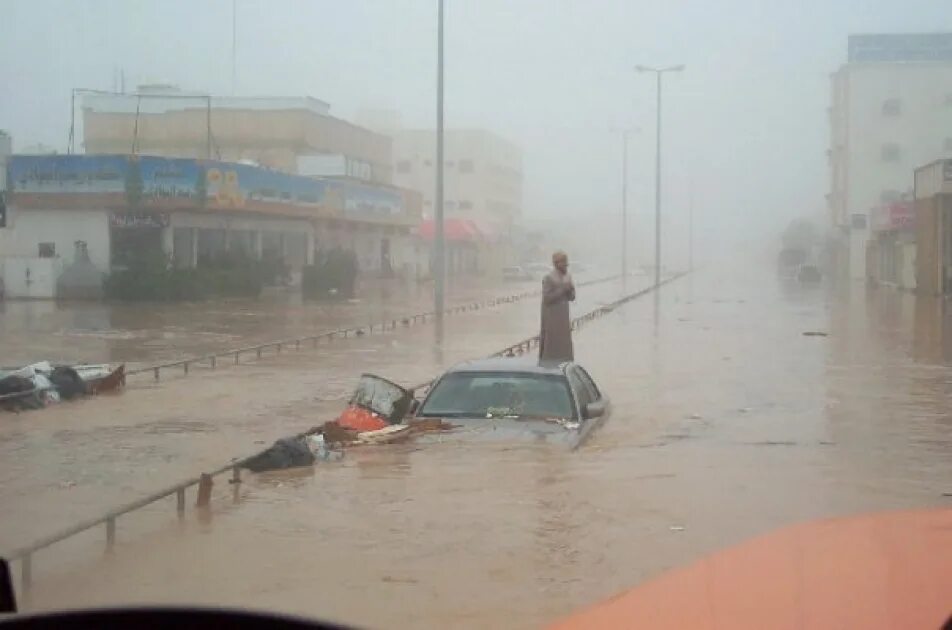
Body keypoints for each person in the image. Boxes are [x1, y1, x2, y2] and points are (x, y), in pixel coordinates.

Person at [539, 251, 575, 362]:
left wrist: (570, 290)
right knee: (551, 346)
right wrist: (563, 289)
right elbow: (547, 299)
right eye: (563, 263)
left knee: (565, 346)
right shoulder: (549, 278)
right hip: (552, 320)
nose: (566, 265)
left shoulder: (567, 277)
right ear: (556, 263)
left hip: (563, 320)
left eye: (566, 263)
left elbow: (572, 297)